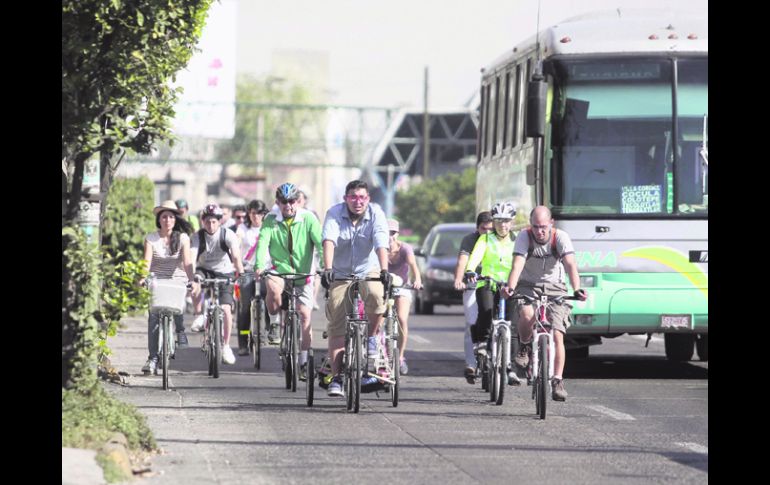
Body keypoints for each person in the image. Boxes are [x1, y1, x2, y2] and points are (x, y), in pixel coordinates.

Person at [503, 206, 588, 401]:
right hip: (527, 285)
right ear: (530, 225)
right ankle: (524, 345)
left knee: (557, 334)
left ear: (551, 224)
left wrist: (576, 289)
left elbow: (570, 265)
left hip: (555, 287)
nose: (539, 231)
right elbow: (517, 265)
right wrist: (510, 287)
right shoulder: (524, 237)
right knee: (526, 315)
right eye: (535, 226)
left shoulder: (561, 237)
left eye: (543, 227)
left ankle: (557, 380)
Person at [320, 180, 390, 397]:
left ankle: (370, 338)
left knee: (378, 296)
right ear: (346, 198)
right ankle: (337, 377)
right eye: (353, 197)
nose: (357, 201)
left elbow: (380, 240)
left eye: (362, 197)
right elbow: (329, 240)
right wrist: (328, 268)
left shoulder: (376, 213)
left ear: (368, 199)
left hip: (367, 269)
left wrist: (385, 270)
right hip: (340, 272)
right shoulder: (334, 213)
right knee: (337, 319)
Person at [254, 183, 324, 380]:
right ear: (278, 202)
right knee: (272, 287)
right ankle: (275, 323)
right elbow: (262, 243)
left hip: (303, 273)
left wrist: (326, 266)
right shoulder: (270, 219)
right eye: (284, 202)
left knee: (304, 315)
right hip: (280, 270)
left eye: (292, 201)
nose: (288, 206)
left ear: (298, 201)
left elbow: (320, 243)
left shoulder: (308, 218)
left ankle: (303, 360)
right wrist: (259, 265)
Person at [139, 200, 200, 375]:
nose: (167, 220)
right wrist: (143, 278)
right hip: (157, 281)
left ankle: (180, 330)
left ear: (175, 220)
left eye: (171, 217)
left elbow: (187, 262)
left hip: (177, 280)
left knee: (177, 306)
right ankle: (152, 358)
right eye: (164, 217)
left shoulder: (182, 238)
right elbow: (146, 262)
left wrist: (192, 280)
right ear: (159, 220)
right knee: (153, 318)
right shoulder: (151, 238)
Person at [465, 202, 520, 386]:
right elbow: (475, 257)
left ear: (512, 222)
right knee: (486, 311)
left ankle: (510, 367)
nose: (502, 225)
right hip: (488, 282)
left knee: (512, 324)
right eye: (498, 221)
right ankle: (481, 344)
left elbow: (523, 261)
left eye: (506, 221)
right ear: (494, 222)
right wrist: (471, 270)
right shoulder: (486, 239)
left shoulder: (518, 239)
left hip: (510, 285)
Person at [190, 203, 245, 365]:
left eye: (214, 221)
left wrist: (240, 272)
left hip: (224, 272)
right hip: (204, 270)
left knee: (227, 309)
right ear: (202, 221)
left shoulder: (228, 234)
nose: (211, 225)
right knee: (195, 283)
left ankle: (226, 345)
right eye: (207, 221)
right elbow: (192, 258)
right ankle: (199, 314)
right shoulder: (197, 237)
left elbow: (235, 256)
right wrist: (191, 276)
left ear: (220, 221)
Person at [453, 211, 494, 384]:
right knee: (472, 323)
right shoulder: (470, 240)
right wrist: (458, 279)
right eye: (484, 229)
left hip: (493, 285)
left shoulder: (499, 240)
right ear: (477, 228)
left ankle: (499, 359)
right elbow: (463, 261)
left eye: (491, 229)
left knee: (498, 322)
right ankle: (471, 364)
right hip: (473, 284)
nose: (487, 233)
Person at [385, 219, 422, 375]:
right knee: (377, 318)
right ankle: (379, 351)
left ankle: (400, 357)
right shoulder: (378, 248)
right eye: (386, 233)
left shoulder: (405, 248)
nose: (389, 236)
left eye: (392, 233)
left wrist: (417, 280)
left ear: (397, 234)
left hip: (402, 287)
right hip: (383, 287)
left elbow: (413, 266)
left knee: (401, 318)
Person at [234, 199, 269, 355]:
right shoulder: (242, 228)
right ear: (249, 213)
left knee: (271, 298)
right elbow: (237, 244)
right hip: (247, 270)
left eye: (260, 213)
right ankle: (243, 341)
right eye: (253, 213)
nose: (256, 217)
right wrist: (238, 269)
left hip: (266, 270)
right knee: (244, 307)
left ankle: (267, 331)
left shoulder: (269, 228)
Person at [296, 189, 322, 310]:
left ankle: (313, 298)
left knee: (314, 275)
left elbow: (317, 234)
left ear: (304, 201)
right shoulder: (285, 215)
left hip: (311, 252)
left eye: (300, 199)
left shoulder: (311, 214)